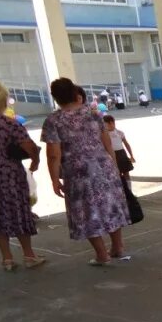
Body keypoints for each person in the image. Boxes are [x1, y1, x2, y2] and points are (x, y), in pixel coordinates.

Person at [42, 78, 130, 265]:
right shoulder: (94, 114)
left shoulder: (53, 121)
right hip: (103, 166)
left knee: (86, 212)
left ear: (56, 98)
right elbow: (106, 141)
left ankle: (102, 255)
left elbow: (53, 155)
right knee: (110, 206)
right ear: (76, 93)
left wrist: (54, 179)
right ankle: (117, 246)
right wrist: (113, 165)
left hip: (78, 173)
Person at [0, 80, 45, 271]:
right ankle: (29, 255)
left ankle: (7, 259)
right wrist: (35, 162)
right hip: (10, 175)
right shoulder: (9, 124)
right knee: (19, 212)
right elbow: (30, 147)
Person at [102, 115, 135, 189]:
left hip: (122, 154)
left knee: (126, 173)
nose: (104, 126)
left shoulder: (120, 133)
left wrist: (131, 155)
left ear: (111, 123)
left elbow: (126, 144)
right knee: (117, 174)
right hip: (111, 155)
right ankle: (121, 191)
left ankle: (129, 191)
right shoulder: (105, 134)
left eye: (105, 124)